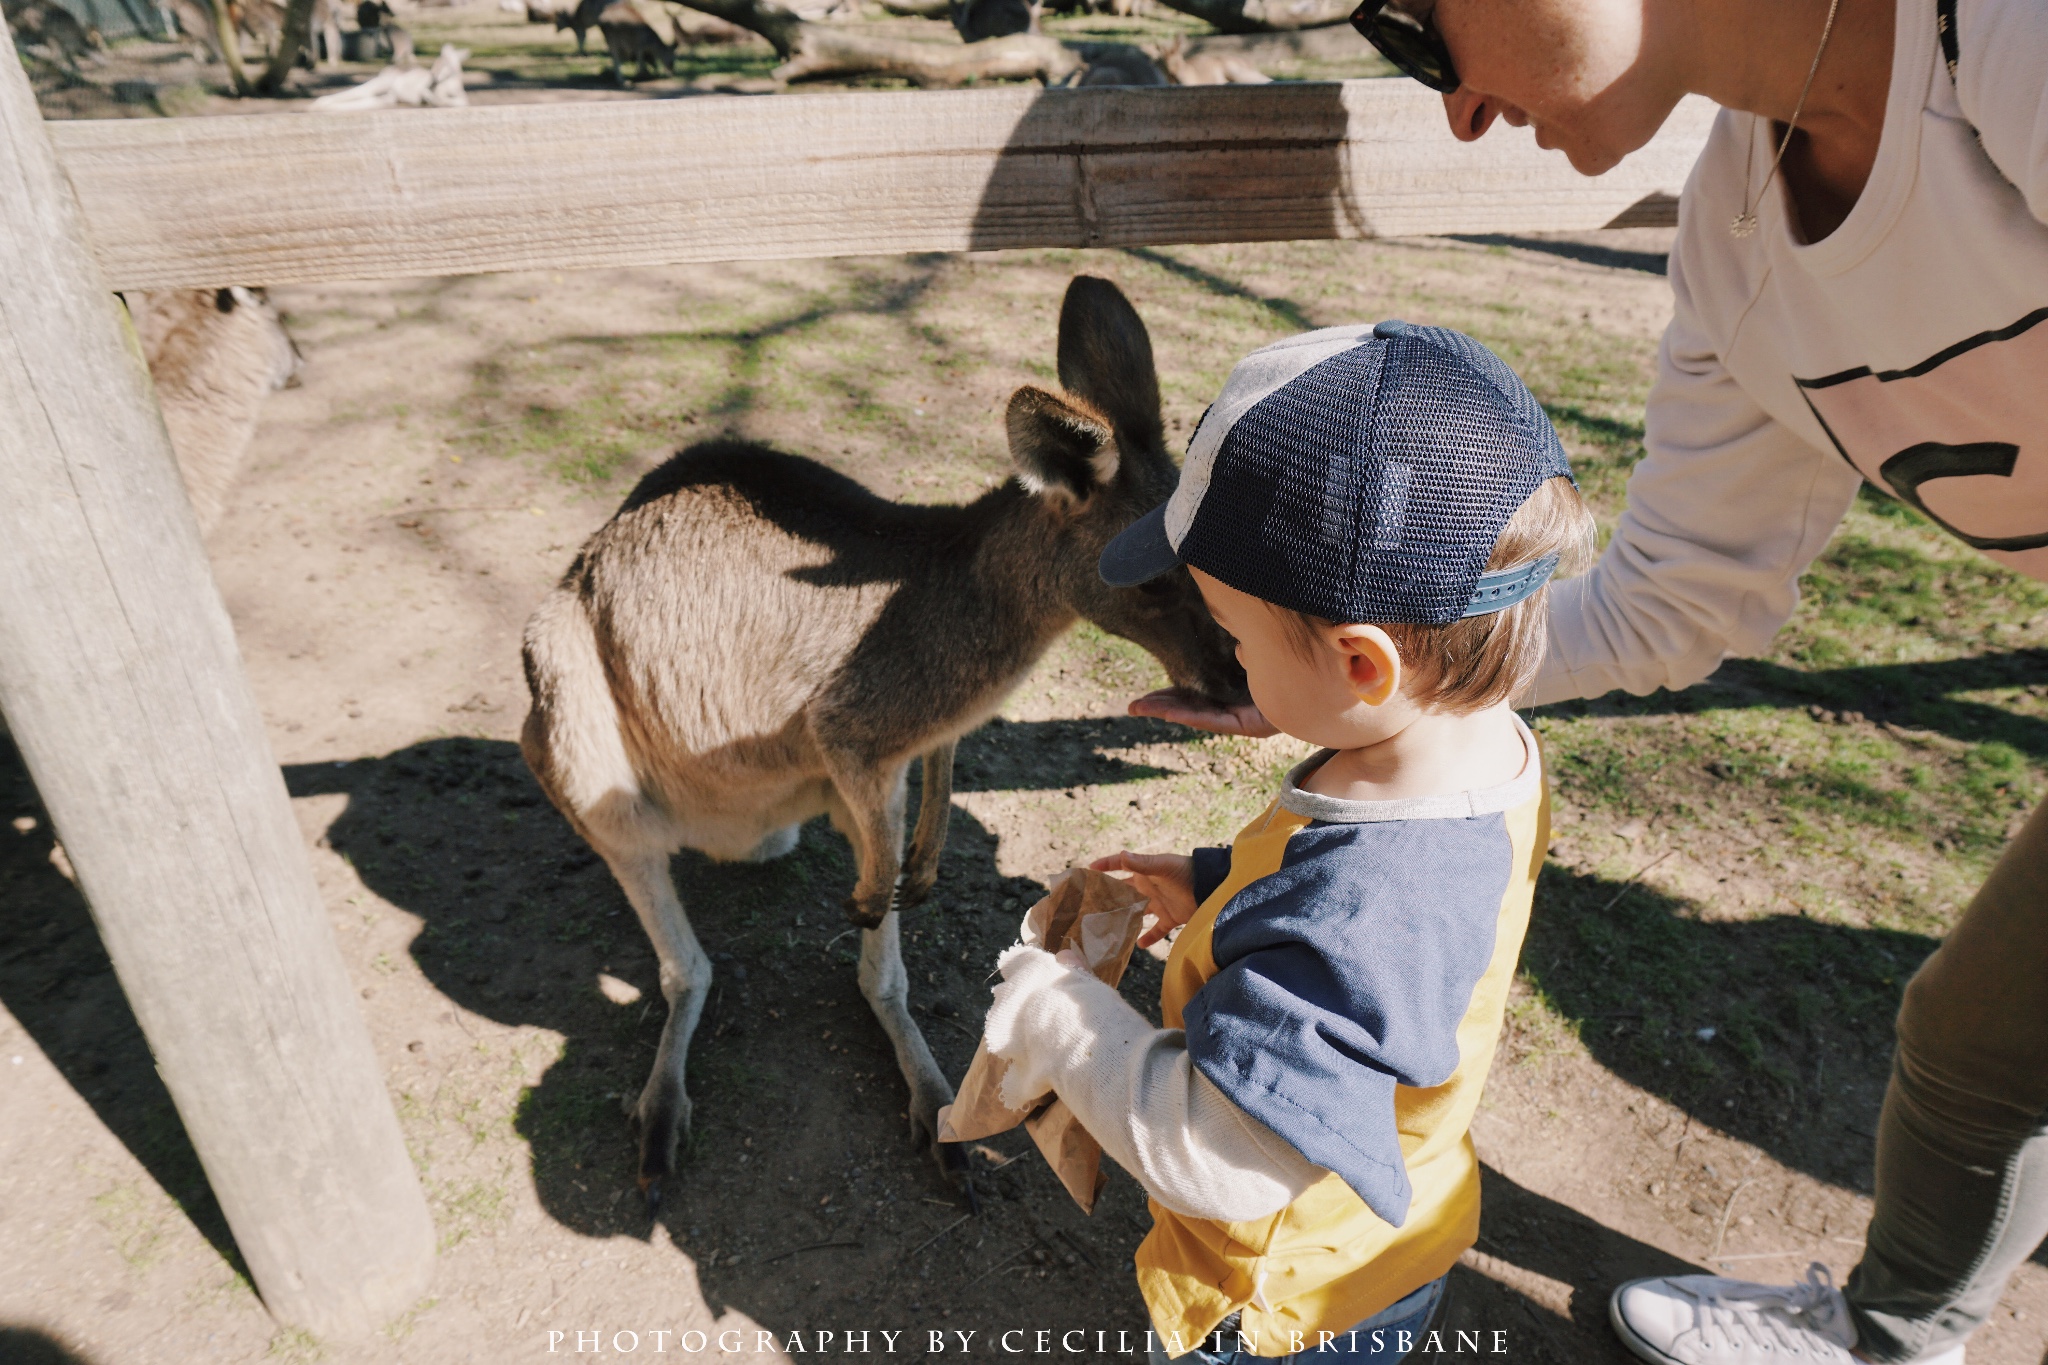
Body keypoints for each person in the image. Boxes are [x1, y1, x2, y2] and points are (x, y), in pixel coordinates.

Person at [1133, 0, 2048, 1359]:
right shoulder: (1738, 236)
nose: (1454, 105)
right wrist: (1377, 679)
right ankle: (1894, 1332)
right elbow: (1676, 596)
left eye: (1417, 23)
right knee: (1977, 1047)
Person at [981, 320, 1596, 1362]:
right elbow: (1364, 926)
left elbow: (1214, 1158)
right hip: (1395, 1232)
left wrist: (1057, 1016)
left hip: (1288, 1304)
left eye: (1233, 637)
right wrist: (1220, 885)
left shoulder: (1365, 907)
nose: (1224, 657)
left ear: (1362, 669)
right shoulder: (1476, 754)